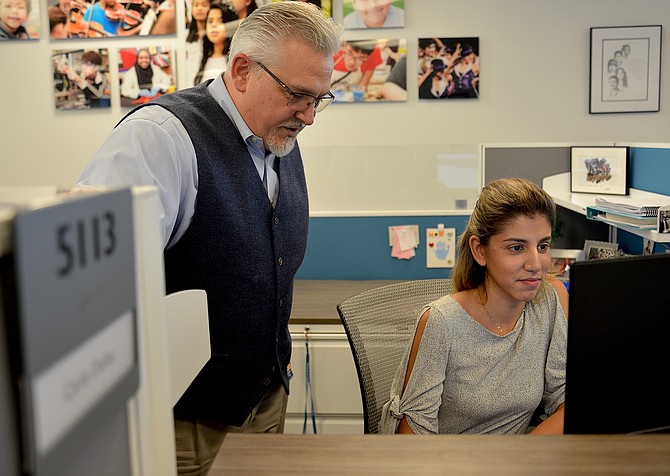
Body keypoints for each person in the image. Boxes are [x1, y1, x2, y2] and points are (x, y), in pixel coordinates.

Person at [75, 2, 343, 474]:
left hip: (264, 398)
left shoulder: (279, 135)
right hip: (186, 419)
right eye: (299, 95)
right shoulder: (159, 138)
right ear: (242, 70)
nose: (310, 116)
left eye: (319, 98)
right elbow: (93, 284)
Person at [380, 177, 569, 435]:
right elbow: (413, 435)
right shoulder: (442, 322)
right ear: (479, 250)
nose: (536, 264)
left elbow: (566, 397)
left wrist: (519, 461)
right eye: (516, 247)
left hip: (518, 462)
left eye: (543, 246)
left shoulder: (550, 300)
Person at [192, 2, 237, 85]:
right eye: (210, 21)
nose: (214, 26)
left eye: (220, 21)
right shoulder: (200, 57)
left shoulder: (235, 59)